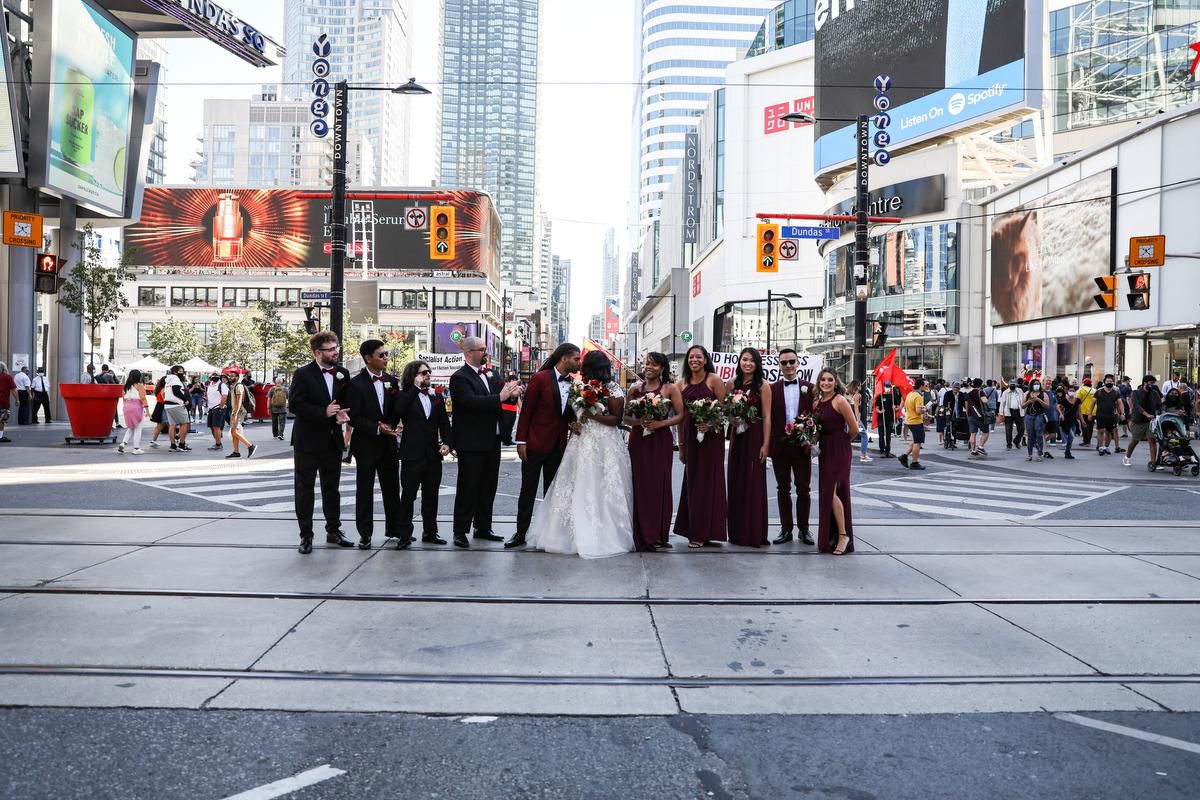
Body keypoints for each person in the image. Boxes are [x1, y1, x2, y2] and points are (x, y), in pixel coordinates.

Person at [525, 351, 634, 557]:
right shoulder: (579, 387)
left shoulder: (613, 389)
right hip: (580, 441)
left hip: (603, 443)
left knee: (601, 486)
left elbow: (616, 420)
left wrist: (590, 416)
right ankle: (565, 532)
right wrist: (574, 423)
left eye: (584, 364)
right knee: (574, 484)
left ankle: (603, 533)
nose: (581, 367)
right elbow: (568, 413)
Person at [449, 336, 522, 549]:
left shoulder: (491, 374)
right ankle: (460, 531)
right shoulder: (460, 378)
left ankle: (483, 527)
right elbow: (470, 402)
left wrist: (512, 394)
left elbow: (502, 396)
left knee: (488, 486)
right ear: (469, 352)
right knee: (468, 487)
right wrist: (500, 397)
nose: (485, 352)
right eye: (482, 349)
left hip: (492, 439)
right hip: (471, 441)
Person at [507, 343, 582, 549]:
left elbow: (567, 414)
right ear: (564, 358)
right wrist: (521, 441)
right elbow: (527, 411)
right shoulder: (540, 378)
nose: (579, 362)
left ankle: (549, 534)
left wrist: (575, 422)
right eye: (576, 358)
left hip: (558, 446)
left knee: (552, 493)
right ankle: (520, 532)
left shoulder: (575, 383)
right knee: (528, 490)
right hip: (534, 444)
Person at [289, 331, 354, 554]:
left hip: (332, 440)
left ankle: (334, 531)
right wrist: (323, 412)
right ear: (318, 353)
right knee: (305, 489)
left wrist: (342, 415)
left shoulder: (342, 374)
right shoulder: (303, 374)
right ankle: (306, 535)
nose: (336, 352)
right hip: (308, 440)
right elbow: (295, 406)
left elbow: (345, 403)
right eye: (331, 349)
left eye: (337, 347)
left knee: (332, 489)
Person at [345, 339, 401, 550]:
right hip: (366, 443)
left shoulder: (391, 381)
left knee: (392, 487)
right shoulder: (355, 384)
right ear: (368, 358)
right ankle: (365, 534)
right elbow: (353, 417)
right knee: (365, 490)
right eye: (381, 355)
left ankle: (395, 528)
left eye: (386, 354)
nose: (386, 358)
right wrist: (377, 427)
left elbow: (396, 409)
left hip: (388, 443)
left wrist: (394, 425)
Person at [627, 352, 684, 551]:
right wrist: (638, 421)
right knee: (639, 485)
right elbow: (625, 419)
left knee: (660, 485)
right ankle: (641, 533)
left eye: (653, 364)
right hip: (638, 441)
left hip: (660, 440)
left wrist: (661, 423)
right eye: (646, 363)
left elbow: (681, 415)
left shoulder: (670, 389)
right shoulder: (634, 389)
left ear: (662, 368)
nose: (648, 367)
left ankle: (659, 534)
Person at [393, 359, 454, 548]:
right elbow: (398, 412)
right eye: (423, 372)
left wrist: (447, 443)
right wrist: (414, 388)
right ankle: (404, 534)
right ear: (413, 376)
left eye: (428, 372)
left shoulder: (436, 398)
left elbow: (444, 423)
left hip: (433, 454)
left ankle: (430, 532)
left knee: (431, 496)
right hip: (412, 454)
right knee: (408, 496)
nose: (428, 375)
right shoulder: (404, 395)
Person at [674, 345, 728, 548]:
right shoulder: (680, 384)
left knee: (710, 483)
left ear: (705, 359)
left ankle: (706, 532)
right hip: (690, 437)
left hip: (712, 438)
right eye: (691, 357)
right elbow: (680, 418)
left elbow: (725, 411)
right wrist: (681, 445)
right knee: (692, 483)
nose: (694, 360)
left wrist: (711, 424)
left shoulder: (714, 380)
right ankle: (693, 529)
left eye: (698, 357)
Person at [726, 347, 772, 548]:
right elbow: (726, 411)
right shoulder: (730, 384)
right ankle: (736, 533)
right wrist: (732, 418)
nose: (748, 363)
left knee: (753, 483)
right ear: (739, 362)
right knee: (736, 481)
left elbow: (768, 416)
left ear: (757, 364)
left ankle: (753, 533)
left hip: (754, 435)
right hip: (737, 436)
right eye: (744, 359)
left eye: (752, 360)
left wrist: (766, 444)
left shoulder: (763, 385)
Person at [769, 348, 815, 546]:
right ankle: (785, 528)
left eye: (791, 361)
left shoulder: (810, 387)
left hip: (801, 445)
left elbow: (816, 415)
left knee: (804, 488)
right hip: (780, 445)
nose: (788, 365)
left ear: (798, 363)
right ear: (779, 365)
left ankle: (804, 530)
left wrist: (811, 438)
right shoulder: (771, 389)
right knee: (782, 488)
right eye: (784, 362)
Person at [814, 368, 860, 555]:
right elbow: (817, 429)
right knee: (828, 493)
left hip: (839, 449)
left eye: (830, 379)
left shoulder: (840, 400)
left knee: (830, 492)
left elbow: (855, 429)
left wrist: (842, 442)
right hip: (825, 449)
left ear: (836, 382)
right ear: (819, 382)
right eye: (823, 379)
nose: (826, 383)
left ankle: (843, 535)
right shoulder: (817, 402)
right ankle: (833, 535)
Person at [1125, 374, 1161, 468]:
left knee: (1152, 441)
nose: (1153, 385)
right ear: (1145, 383)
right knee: (1135, 441)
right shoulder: (1136, 393)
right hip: (1139, 420)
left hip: (1151, 421)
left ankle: (1153, 463)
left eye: (1154, 383)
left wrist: (1158, 413)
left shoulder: (1154, 393)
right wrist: (1146, 414)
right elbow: (1136, 406)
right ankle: (1126, 457)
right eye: (1151, 383)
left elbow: (1159, 405)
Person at [899, 377, 929, 470]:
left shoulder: (910, 394)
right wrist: (925, 409)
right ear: (921, 386)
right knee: (918, 442)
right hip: (916, 421)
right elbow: (918, 411)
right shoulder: (918, 396)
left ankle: (904, 456)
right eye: (926, 385)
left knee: (916, 440)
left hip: (910, 420)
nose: (927, 387)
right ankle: (914, 462)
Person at [117, 369, 149, 455]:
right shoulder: (139, 386)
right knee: (138, 428)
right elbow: (143, 398)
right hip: (136, 407)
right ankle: (136, 448)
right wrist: (147, 411)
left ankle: (123, 443)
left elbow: (123, 398)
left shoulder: (125, 386)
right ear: (139, 376)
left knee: (131, 427)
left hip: (127, 407)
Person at [225, 374, 258, 459]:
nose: (230, 377)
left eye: (232, 376)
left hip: (239, 411)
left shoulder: (239, 386)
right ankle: (236, 452)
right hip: (236, 411)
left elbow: (239, 401)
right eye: (230, 376)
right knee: (235, 432)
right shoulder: (234, 386)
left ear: (237, 377)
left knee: (234, 431)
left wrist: (235, 413)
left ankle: (250, 446)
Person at [161, 365, 192, 451]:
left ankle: (173, 445)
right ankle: (182, 444)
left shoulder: (168, 380)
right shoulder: (175, 378)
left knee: (172, 425)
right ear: (175, 372)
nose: (182, 373)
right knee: (184, 423)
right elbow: (176, 391)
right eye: (181, 371)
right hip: (176, 405)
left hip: (167, 405)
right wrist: (185, 400)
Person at [1092, 374, 1122, 455]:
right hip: (1100, 414)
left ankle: (1105, 447)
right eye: (1108, 381)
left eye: (1111, 381)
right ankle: (1101, 447)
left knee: (1109, 432)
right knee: (1101, 430)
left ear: (1113, 382)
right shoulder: (1099, 391)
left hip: (1111, 415)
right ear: (1104, 382)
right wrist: (1090, 413)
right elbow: (1093, 403)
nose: (1109, 383)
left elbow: (1120, 403)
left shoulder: (1115, 392)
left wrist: (1122, 413)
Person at [1022, 378, 1050, 461]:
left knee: (1039, 435)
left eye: (1038, 384)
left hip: (1039, 415)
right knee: (1030, 435)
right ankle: (1029, 454)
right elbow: (1022, 405)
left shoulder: (1043, 394)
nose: (1036, 385)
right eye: (1034, 384)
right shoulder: (1027, 393)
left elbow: (1047, 406)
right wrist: (1029, 401)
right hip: (1029, 416)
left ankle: (1039, 454)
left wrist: (1038, 399)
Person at [847, 380, 871, 463]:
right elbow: (856, 409)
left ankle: (848, 456)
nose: (861, 387)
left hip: (849, 418)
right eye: (860, 385)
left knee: (848, 438)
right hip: (855, 418)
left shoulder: (849, 395)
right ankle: (863, 455)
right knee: (864, 436)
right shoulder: (857, 395)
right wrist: (858, 420)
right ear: (857, 386)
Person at [966, 377, 991, 456]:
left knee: (973, 433)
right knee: (986, 432)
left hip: (970, 415)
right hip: (980, 416)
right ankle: (980, 447)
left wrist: (968, 414)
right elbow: (985, 401)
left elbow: (966, 406)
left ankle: (973, 450)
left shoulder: (969, 393)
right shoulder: (981, 392)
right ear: (980, 384)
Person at [205, 373, 229, 450]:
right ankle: (218, 441)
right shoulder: (210, 385)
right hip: (211, 408)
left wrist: (220, 407)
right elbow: (208, 396)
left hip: (218, 408)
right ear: (210, 377)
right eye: (213, 375)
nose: (215, 377)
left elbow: (225, 396)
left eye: (216, 375)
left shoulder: (222, 385)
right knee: (212, 427)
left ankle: (218, 444)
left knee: (216, 427)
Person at [873, 380, 896, 457]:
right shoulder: (881, 396)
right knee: (881, 435)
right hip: (881, 419)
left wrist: (895, 407)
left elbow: (898, 406)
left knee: (888, 435)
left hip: (890, 418)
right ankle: (882, 451)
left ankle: (888, 451)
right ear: (883, 387)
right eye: (886, 386)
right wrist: (880, 411)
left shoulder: (893, 396)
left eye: (889, 386)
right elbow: (877, 408)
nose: (888, 388)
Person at [1058, 384, 1081, 459]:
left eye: (1073, 391)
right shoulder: (1064, 399)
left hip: (1073, 421)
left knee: (1071, 437)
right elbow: (1058, 406)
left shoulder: (1077, 400)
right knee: (1071, 436)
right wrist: (1061, 414)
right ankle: (1067, 451)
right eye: (1070, 391)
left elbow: (1079, 411)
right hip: (1065, 420)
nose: (1072, 392)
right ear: (1067, 391)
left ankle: (1067, 452)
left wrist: (1082, 421)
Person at [268, 375, 289, 440]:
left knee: (274, 422)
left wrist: (268, 408)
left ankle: (275, 435)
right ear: (282, 382)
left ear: (275, 382)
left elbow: (269, 399)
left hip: (274, 408)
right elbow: (288, 399)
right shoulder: (285, 389)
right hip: (283, 409)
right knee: (282, 422)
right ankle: (280, 434)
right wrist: (287, 406)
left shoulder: (272, 389)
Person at [0, 361, 16, 442]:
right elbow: (14, 390)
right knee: (2, 420)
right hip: (3, 401)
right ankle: (0, 437)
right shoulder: (8, 377)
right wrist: (17, 400)